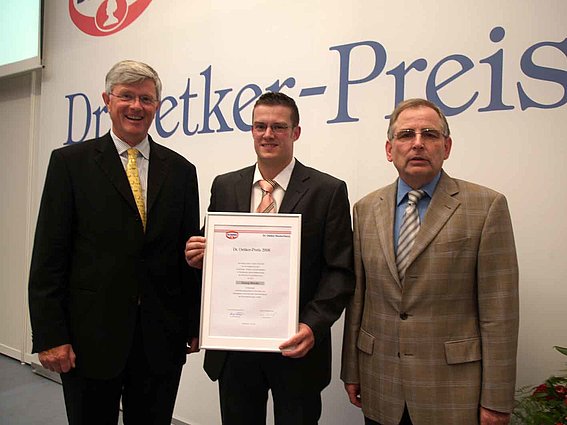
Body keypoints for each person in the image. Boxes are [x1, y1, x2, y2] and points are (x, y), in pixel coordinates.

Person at [28, 60, 201, 425]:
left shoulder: (182, 171)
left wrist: (194, 324)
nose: (136, 106)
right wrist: (49, 335)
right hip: (89, 339)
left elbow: (186, 257)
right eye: (126, 96)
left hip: (160, 340)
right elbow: (49, 256)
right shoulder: (70, 164)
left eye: (146, 99)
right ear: (107, 100)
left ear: (157, 106)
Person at [341, 98, 519, 425]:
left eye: (430, 134)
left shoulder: (486, 206)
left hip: (453, 391)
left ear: (446, 147)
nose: (418, 143)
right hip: (381, 382)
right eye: (406, 134)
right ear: (389, 149)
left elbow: (500, 312)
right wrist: (351, 369)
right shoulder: (365, 209)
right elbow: (358, 299)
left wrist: (496, 399)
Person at [185, 92, 355, 425]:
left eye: (278, 127)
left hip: (297, 346)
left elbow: (339, 271)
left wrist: (312, 325)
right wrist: (199, 255)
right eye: (260, 126)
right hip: (234, 347)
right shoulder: (226, 185)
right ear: (251, 131)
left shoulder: (328, 190)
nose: (268, 134)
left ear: (295, 132)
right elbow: (214, 252)